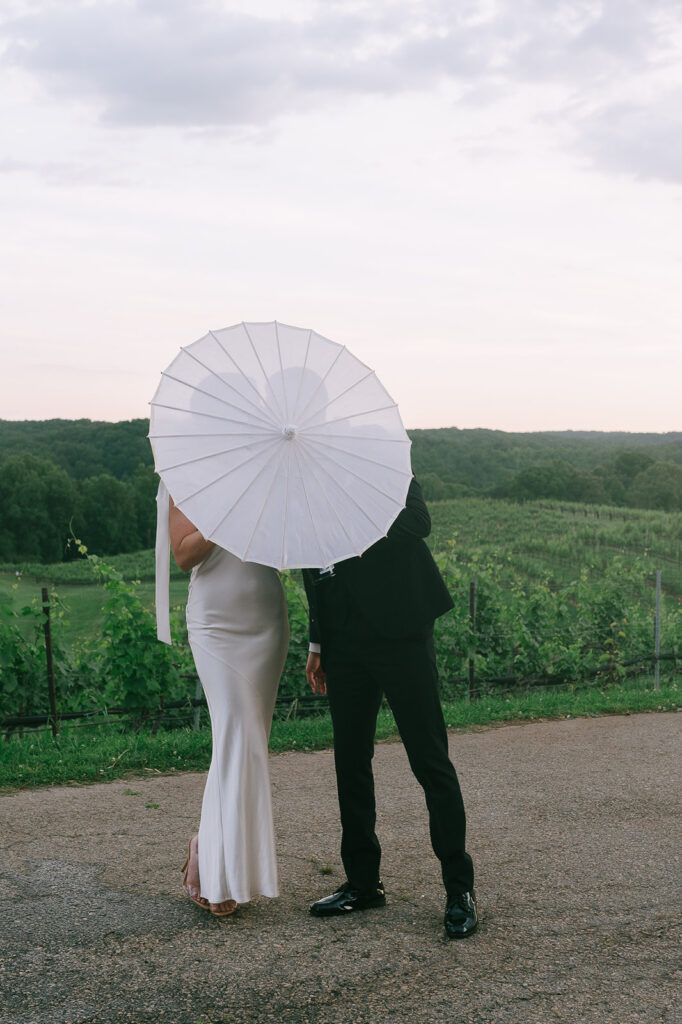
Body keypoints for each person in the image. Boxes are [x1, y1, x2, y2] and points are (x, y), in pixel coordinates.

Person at [302, 477, 477, 939]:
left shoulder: (378, 452)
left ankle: (459, 889)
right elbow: (309, 560)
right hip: (342, 641)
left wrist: (352, 523)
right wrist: (318, 640)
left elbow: (418, 521)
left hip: (401, 630)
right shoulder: (299, 474)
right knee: (350, 761)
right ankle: (363, 884)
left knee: (429, 759)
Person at [168, 496, 289, 917]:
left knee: (249, 743)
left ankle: (211, 850)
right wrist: (233, 508)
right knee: (237, 735)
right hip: (216, 621)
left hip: (266, 616)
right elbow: (183, 554)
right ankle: (216, 865)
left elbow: (284, 549)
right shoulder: (187, 472)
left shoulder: (269, 471)